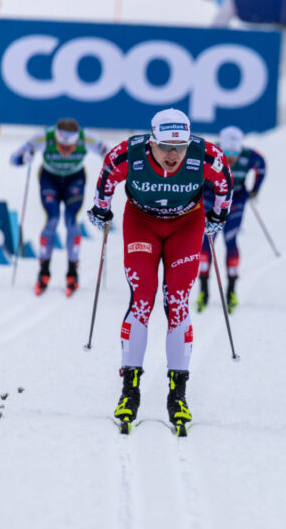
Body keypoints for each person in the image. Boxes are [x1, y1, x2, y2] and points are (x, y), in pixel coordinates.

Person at [87, 108, 233, 435]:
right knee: (143, 297)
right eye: (166, 146)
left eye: (180, 146)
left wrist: (218, 218)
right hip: (142, 223)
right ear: (151, 141)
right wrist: (101, 209)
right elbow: (107, 175)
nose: (173, 155)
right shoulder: (128, 153)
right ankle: (130, 390)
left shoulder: (206, 155)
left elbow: (225, 184)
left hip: (186, 223)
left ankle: (178, 394)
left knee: (178, 301)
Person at [9, 118, 109, 296]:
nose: (64, 151)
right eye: (60, 146)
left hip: (74, 179)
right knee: (52, 219)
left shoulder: (86, 138)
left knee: (71, 222)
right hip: (50, 179)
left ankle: (72, 273)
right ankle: (44, 272)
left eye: (68, 147)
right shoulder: (44, 137)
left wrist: (110, 163)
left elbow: (111, 154)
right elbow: (14, 158)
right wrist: (24, 159)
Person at [193, 126, 267, 314]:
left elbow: (262, 167)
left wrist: (255, 189)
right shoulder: (210, 153)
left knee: (230, 239)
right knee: (206, 240)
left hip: (236, 198)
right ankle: (203, 290)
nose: (231, 156)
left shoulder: (250, 156)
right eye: (226, 152)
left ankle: (231, 291)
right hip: (211, 196)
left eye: (235, 152)